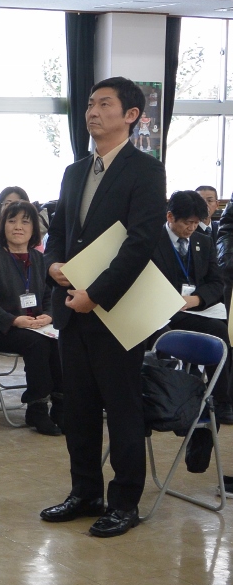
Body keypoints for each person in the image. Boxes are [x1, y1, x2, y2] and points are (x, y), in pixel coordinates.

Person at [41, 76, 166, 538]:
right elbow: (58, 234)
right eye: (90, 104)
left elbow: (140, 242)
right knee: (78, 409)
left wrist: (96, 294)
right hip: (71, 306)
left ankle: (124, 502)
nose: (92, 112)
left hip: (116, 310)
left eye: (104, 104)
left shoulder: (145, 170)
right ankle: (85, 492)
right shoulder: (75, 171)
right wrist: (53, 265)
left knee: (122, 407)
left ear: (131, 115)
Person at [0, 200, 63, 436]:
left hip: (37, 326)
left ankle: (61, 405)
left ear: (34, 228)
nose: (18, 227)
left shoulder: (39, 259)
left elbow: (49, 296)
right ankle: (37, 407)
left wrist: (48, 315)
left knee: (60, 339)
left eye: (25, 221)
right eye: (12, 221)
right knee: (37, 343)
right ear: (2, 226)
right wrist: (14, 320)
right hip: (2, 329)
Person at [150, 190, 233, 424]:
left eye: (197, 223)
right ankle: (166, 400)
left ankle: (222, 400)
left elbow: (216, 282)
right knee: (162, 335)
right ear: (170, 217)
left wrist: (196, 299)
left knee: (220, 331)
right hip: (159, 311)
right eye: (188, 222)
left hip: (192, 309)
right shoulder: (151, 241)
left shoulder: (202, 241)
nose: (192, 228)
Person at [0, 186, 44, 264]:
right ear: (0, 207)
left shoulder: (38, 256)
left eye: (18, 203)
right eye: (8, 203)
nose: (14, 207)